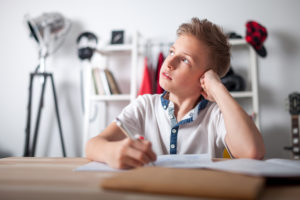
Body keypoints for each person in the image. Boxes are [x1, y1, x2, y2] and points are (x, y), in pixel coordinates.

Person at [85, 17, 265, 169]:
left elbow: (251, 151)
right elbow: (92, 145)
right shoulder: (145, 105)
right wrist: (112, 152)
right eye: (172, 51)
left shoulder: (216, 114)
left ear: (205, 78)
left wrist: (218, 88)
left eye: (185, 60)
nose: (169, 62)